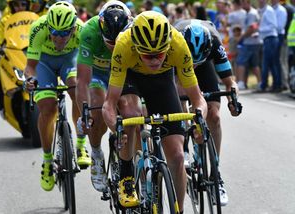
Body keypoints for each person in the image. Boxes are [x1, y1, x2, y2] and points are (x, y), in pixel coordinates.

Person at [102, 11, 208, 213]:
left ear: (167, 46)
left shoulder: (177, 44)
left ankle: (179, 210)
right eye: (147, 55)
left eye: (160, 54)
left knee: (177, 157)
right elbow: (109, 103)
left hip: (161, 82)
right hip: (131, 77)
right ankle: (126, 176)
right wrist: (116, 129)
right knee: (131, 115)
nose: (154, 60)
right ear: (136, 47)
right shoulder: (123, 45)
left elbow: (197, 99)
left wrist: (199, 118)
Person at [24, 1, 91, 191]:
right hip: (44, 64)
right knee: (48, 108)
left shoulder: (82, 30)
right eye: (54, 33)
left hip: (70, 60)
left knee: (77, 89)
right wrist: (30, 80)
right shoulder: (38, 27)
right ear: (48, 28)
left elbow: (89, 63)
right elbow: (30, 66)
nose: (59, 38)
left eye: (64, 33)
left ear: (73, 28)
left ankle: (80, 145)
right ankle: (47, 161)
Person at [174, 18, 242, 206]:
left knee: (214, 115)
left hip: (207, 64)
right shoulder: (174, 42)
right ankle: (185, 144)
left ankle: (216, 174)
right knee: (179, 96)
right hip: (179, 63)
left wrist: (232, 100)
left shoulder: (214, 44)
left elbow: (230, 82)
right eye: (192, 62)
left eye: (198, 62)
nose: (193, 66)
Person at [75, 1, 138, 193]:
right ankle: (95, 153)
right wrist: (85, 113)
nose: (113, 47)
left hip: (123, 72)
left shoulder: (135, 29)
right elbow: (82, 81)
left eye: (117, 42)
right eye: (109, 42)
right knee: (97, 107)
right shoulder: (89, 32)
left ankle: (133, 164)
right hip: (98, 74)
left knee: (133, 114)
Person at [0, 0, 32, 111]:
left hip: (31, 53)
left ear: (28, 5)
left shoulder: (35, 19)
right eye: (16, 4)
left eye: (23, 4)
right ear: (11, 6)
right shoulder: (4, 21)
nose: (20, 7)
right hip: (13, 53)